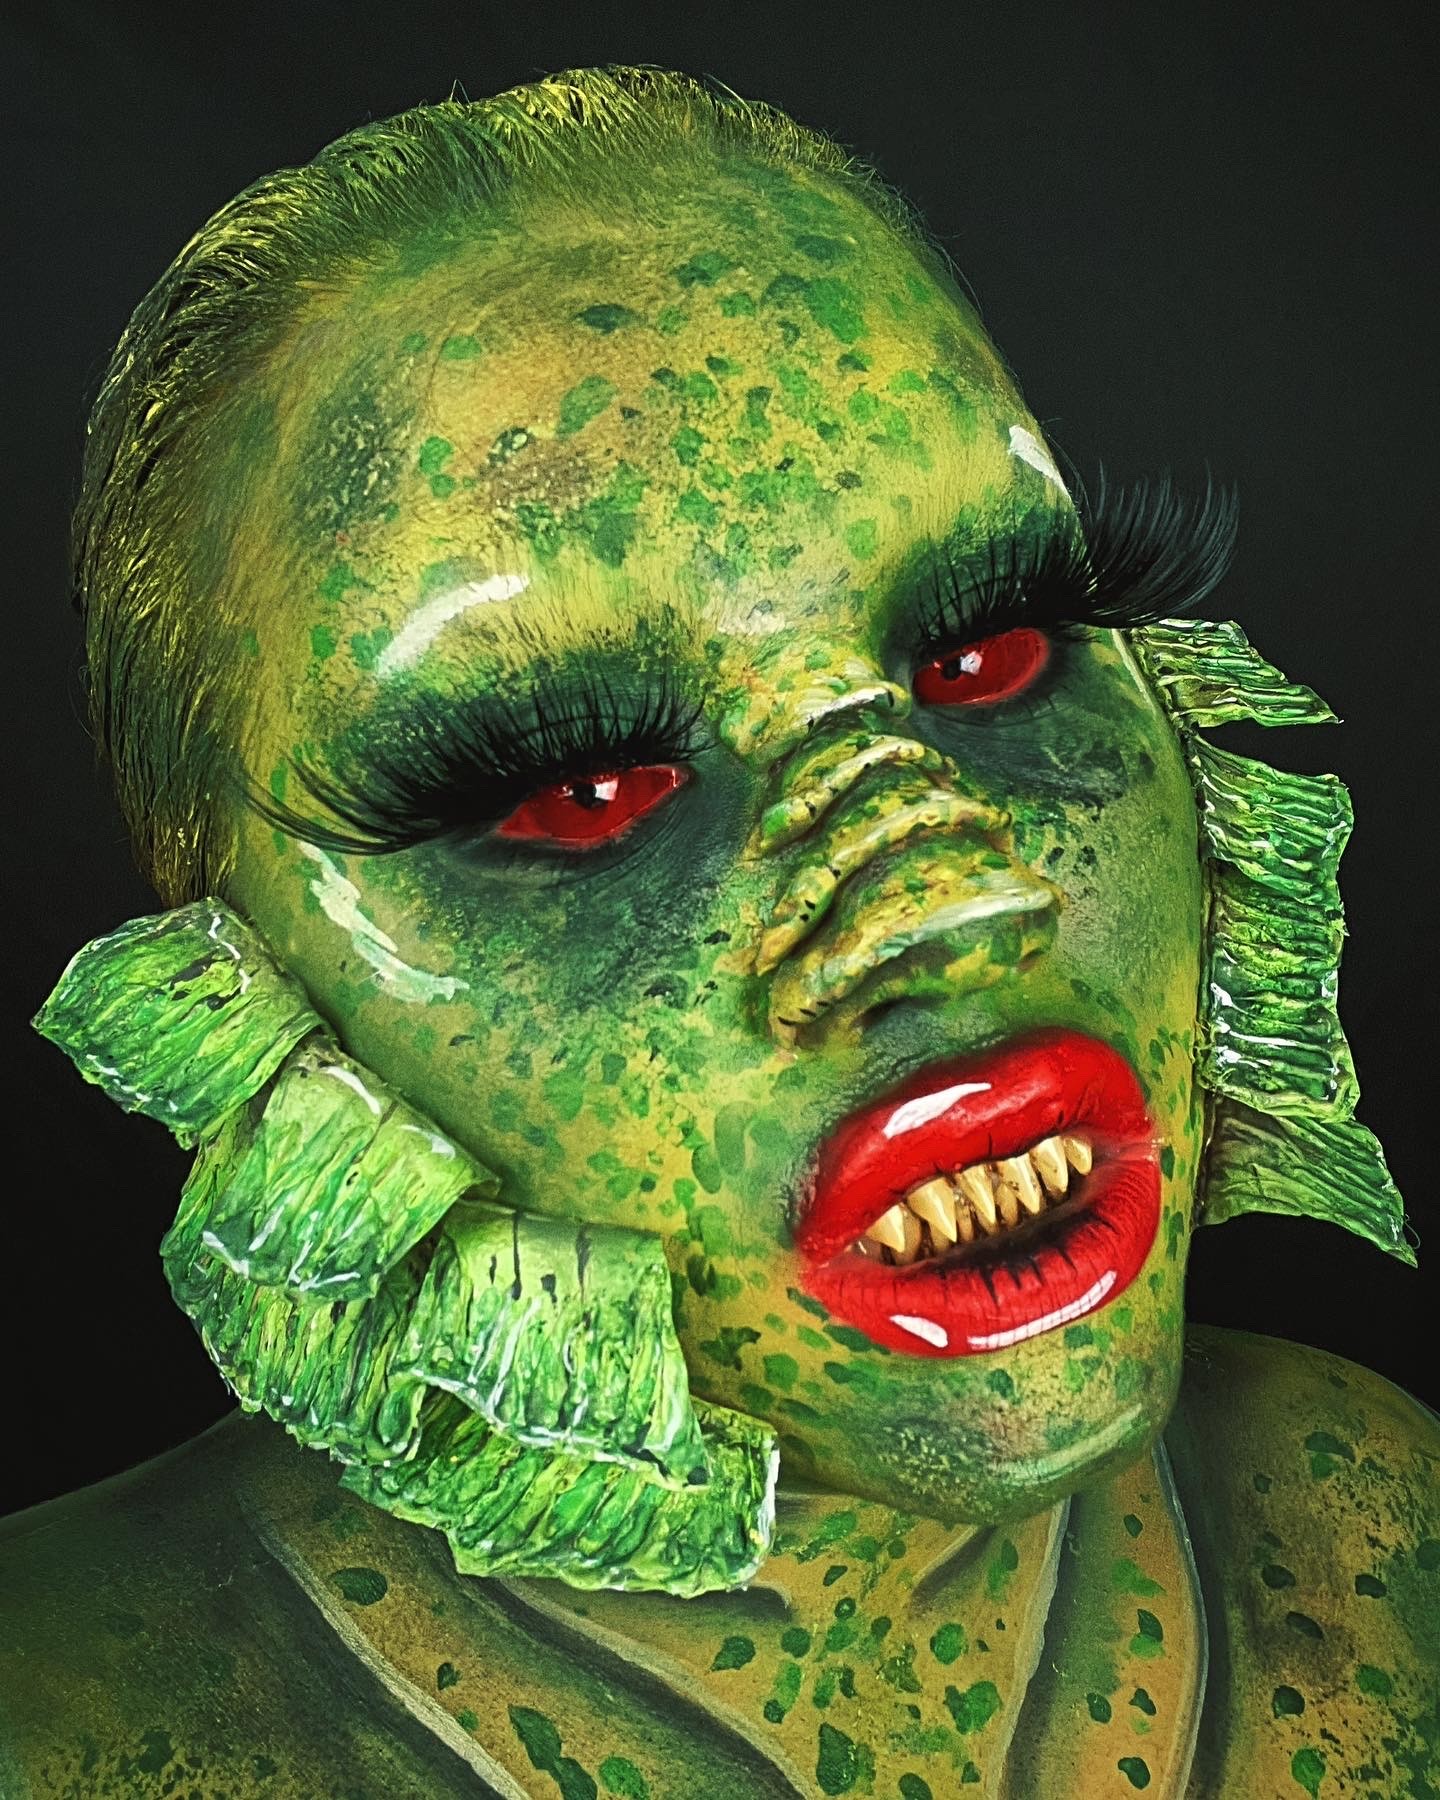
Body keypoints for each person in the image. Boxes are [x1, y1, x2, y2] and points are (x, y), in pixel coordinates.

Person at [4, 66, 1434, 1799]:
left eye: (987, 654)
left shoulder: (1371, 1535)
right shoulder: (63, 1718)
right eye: (584, 793)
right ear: (227, 995)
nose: (958, 900)